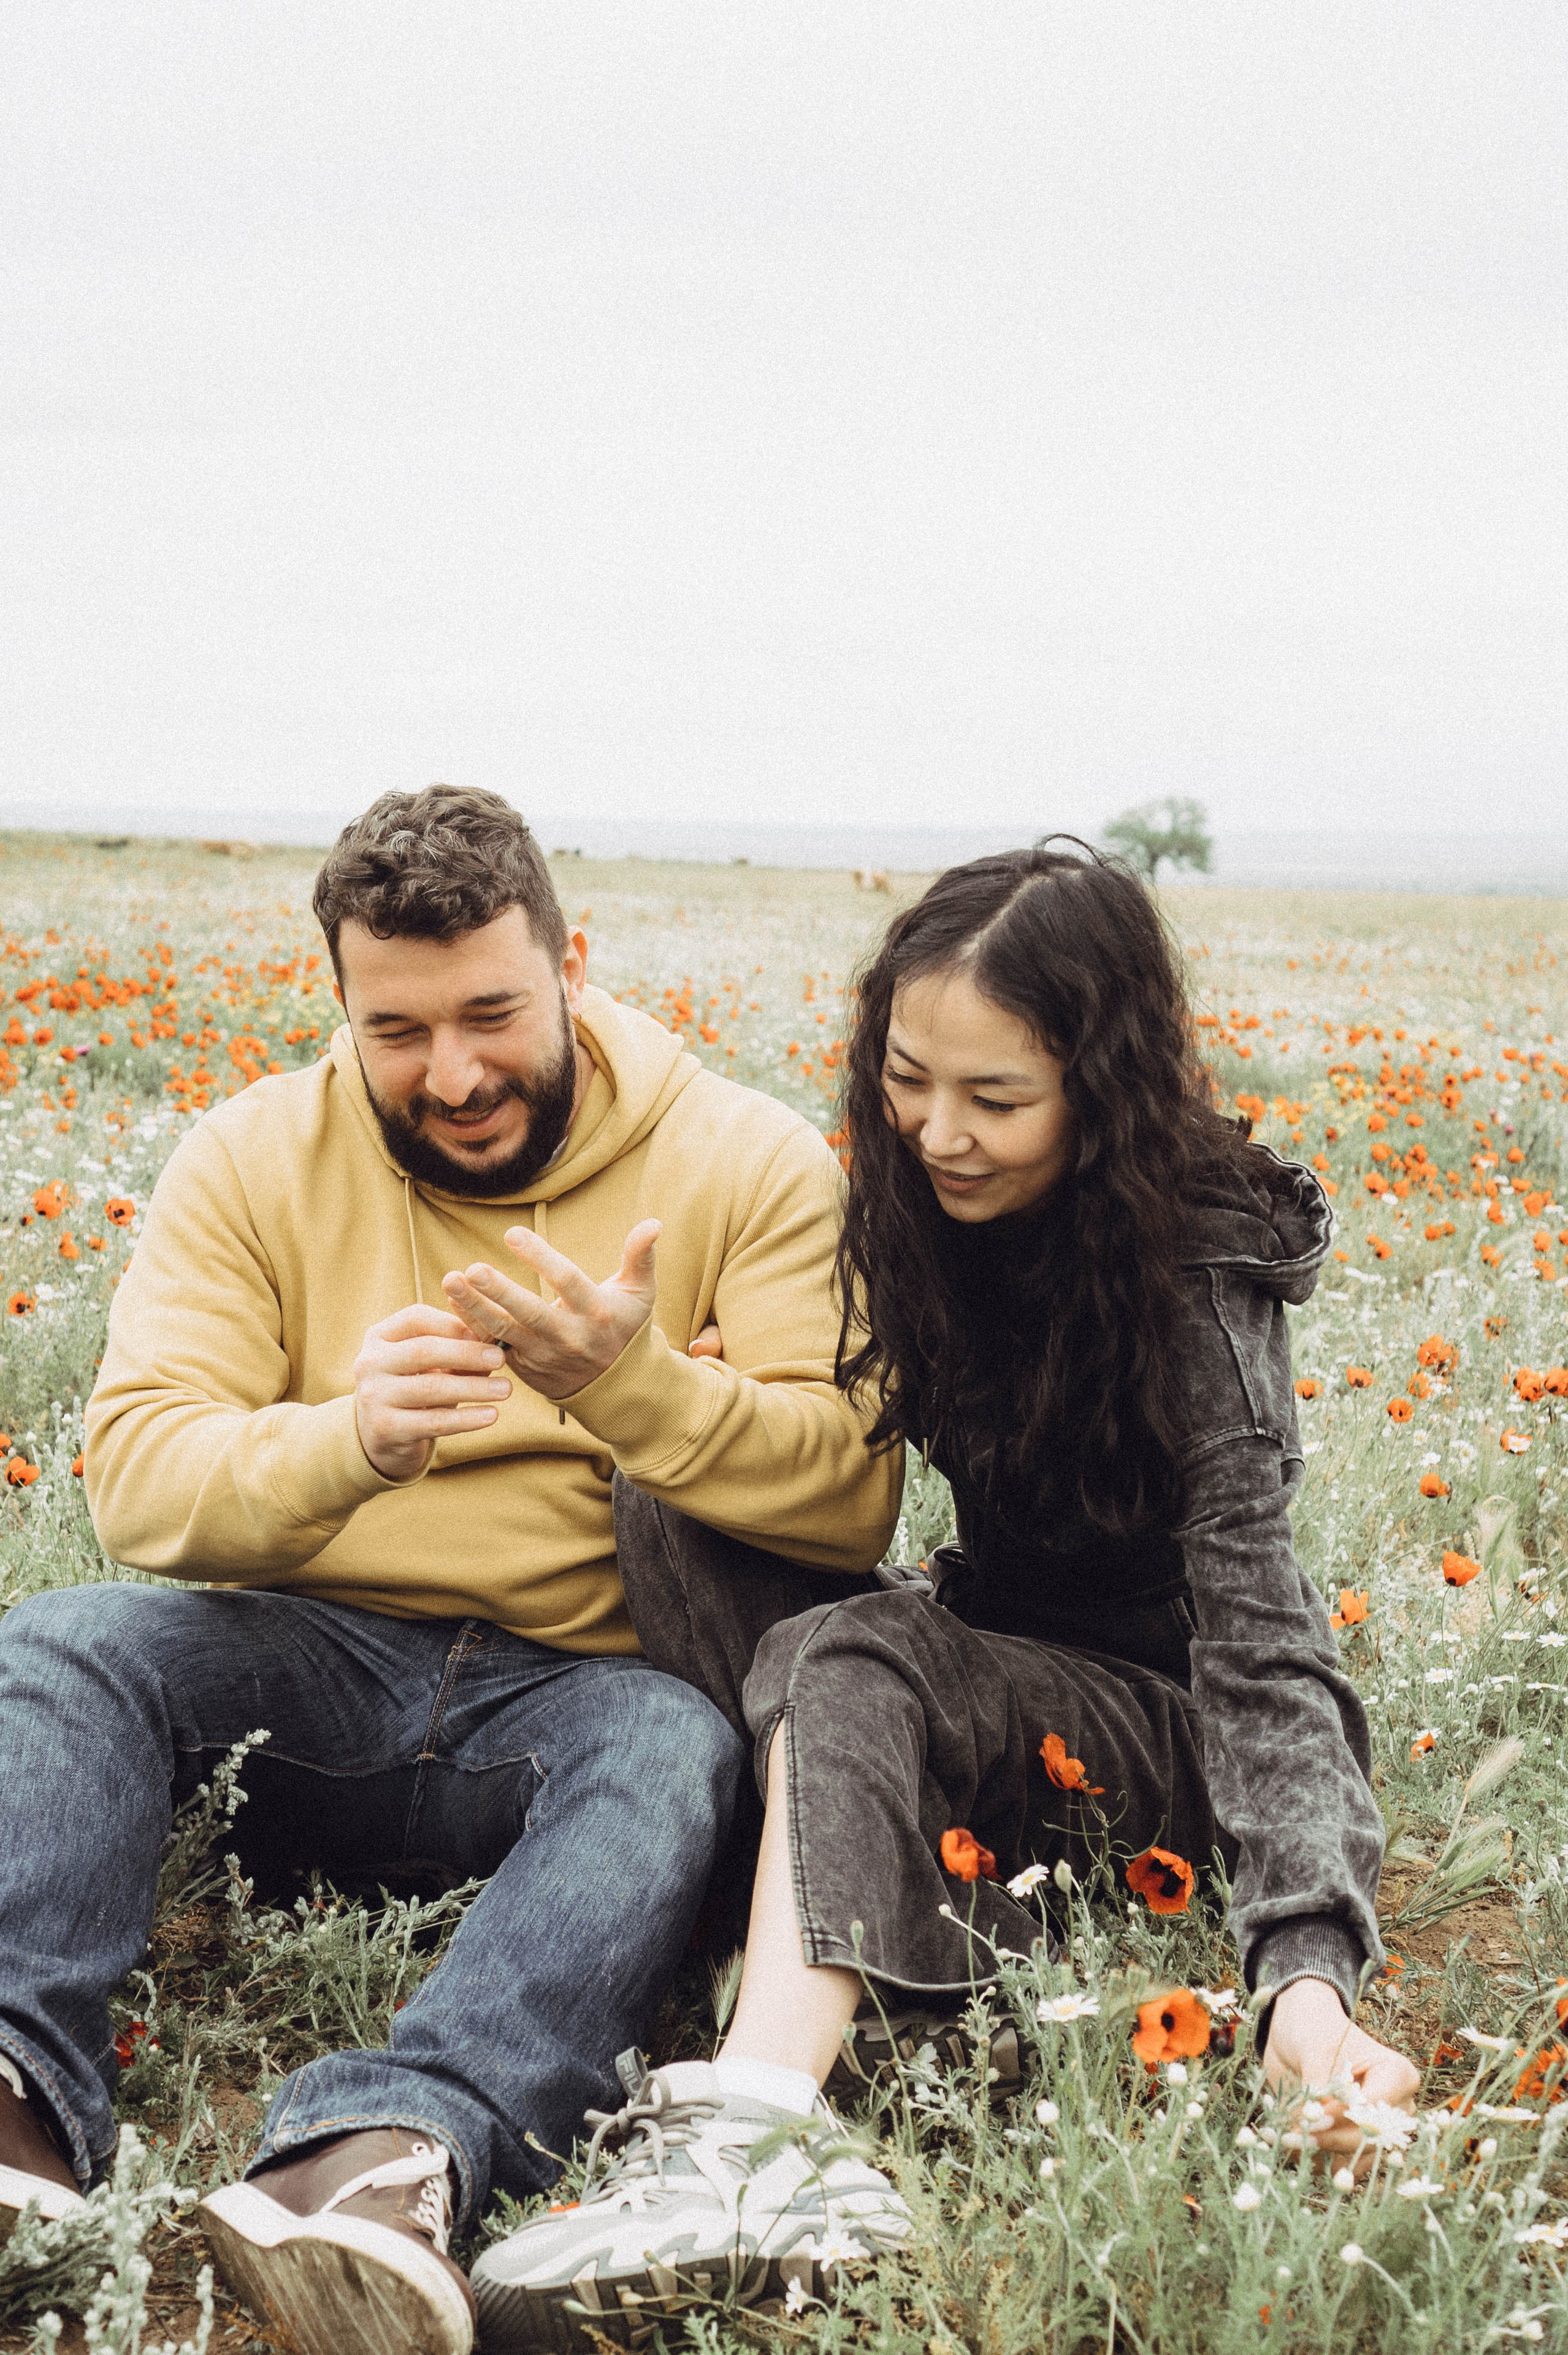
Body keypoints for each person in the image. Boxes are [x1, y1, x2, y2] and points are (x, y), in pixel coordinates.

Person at [472, 842, 1421, 2348]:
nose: (935, 1131)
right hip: (993, 1662)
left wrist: (1302, 1977)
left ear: (1099, 1094)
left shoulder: (1189, 1273)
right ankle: (820, 1932)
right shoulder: (915, 1203)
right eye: (909, 1080)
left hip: (1159, 1734)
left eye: (995, 1099)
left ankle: (765, 2143)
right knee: (672, 1491)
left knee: (857, 1650)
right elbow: (815, 1459)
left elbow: (1262, 1641)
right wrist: (639, 1387)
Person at [0, 785, 900, 2355]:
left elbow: (850, 1498)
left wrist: (634, 1389)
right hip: (306, 1667)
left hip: (581, 1700)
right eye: (397, 1030)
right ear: (341, 1003)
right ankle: (14, 2121)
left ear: (571, 962)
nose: (456, 1072)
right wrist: (348, 1440)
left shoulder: (740, 1158)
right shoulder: (253, 1157)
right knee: (63, 1644)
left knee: (674, 1749)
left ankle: (377, 2162)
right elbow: (139, 1481)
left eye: (492, 1012)